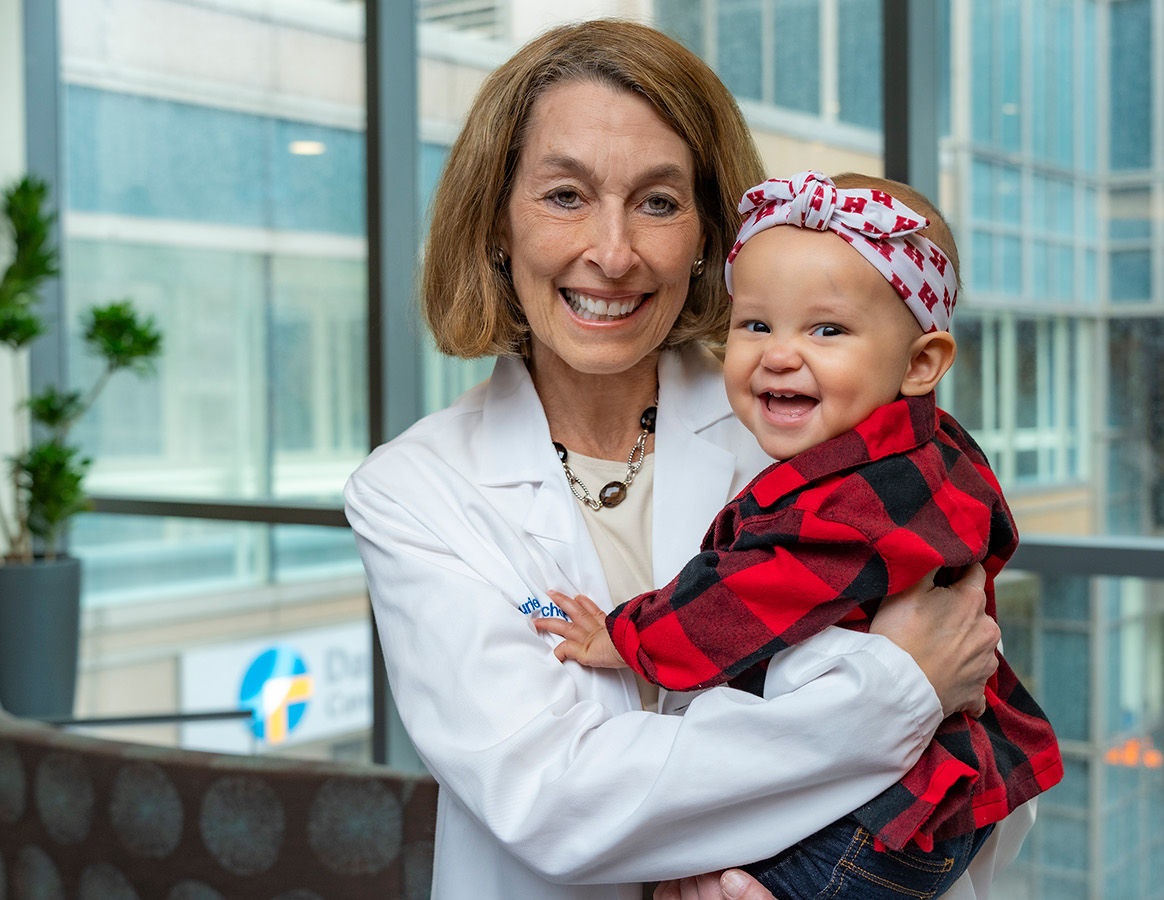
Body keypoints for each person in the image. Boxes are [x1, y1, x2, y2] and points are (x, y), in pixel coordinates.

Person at [344, 20, 1023, 900]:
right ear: (497, 225)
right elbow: (553, 797)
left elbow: (990, 738)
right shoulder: (413, 489)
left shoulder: (816, 424)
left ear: (710, 234)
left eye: (659, 202)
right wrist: (897, 692)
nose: (615, 252)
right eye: (565, 196)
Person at [537, 171, 1061, 899]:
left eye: (827, 329)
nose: (779, 354)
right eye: (756, 325)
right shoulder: (915, 452)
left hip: (877, 831)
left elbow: (735, 603)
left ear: (920, 364)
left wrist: (627, 638)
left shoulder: (859, 499)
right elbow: (542, 801)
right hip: (911, 813)